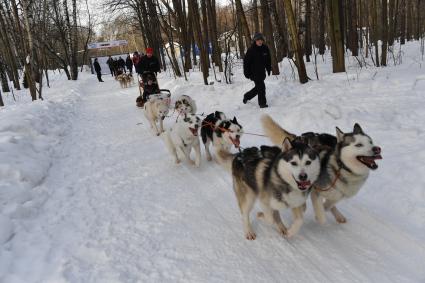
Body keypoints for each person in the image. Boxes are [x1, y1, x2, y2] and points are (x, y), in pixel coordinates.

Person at [242, 32, 271, 108]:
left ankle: (247, 96)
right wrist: (246, 73)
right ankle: (262, 103)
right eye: (258, 40)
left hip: (262, 72)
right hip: (253, 73)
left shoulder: (265, 48)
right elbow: (246, 63)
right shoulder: (251, 50)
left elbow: (268, 60)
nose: (260, 41)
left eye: (261, 40)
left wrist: (268, 68)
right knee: (261, 87)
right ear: (255, 40)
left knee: (258, 88)